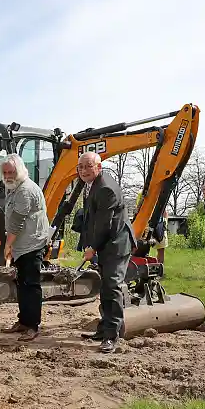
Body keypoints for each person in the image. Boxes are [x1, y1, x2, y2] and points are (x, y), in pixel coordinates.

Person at [77, 151, 135, 353]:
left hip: (117, 244)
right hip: (106, 243)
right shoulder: (92, 184)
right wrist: (88, 243)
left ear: (99, 167)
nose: (83, 170)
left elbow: (103, 224)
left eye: (88, 166)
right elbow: (91, 219)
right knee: (105, 287)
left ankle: (112, 335)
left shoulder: (105, 188)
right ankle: (104, 328)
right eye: (81, 167)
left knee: (112, 286)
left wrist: (92, 247)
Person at [0, 154, 51, 341]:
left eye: (11, 172)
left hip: (32, 244)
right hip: (21, 244)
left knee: (31, 285)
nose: (7, 175)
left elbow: (17, 222)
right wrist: (13, 244)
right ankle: (23, 321)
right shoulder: (13, 188)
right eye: (4, 172)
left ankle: (33, 326)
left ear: (19, 171)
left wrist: (8, 245)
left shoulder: (25, 190)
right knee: (22, 284)